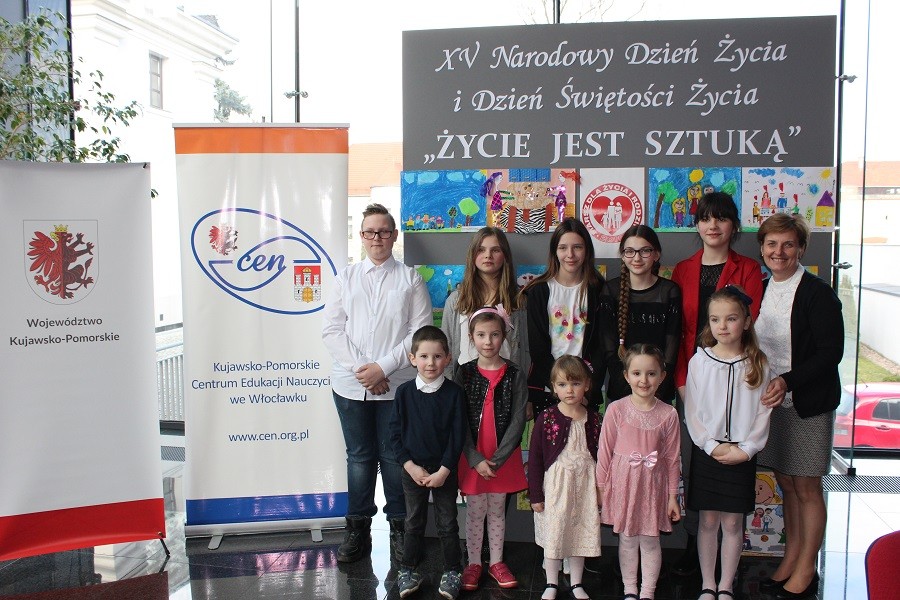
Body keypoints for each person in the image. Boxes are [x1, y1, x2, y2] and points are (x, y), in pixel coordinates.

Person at [322, 203, 433, 564]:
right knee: (359, 457)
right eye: (370, 231)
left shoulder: (410, 279)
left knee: (394, 457)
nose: (377, 238)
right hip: (349, 385)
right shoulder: (346, 278)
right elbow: (332, 330)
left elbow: (419, 333)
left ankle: (400, 530)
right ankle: (357, 530)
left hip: (396, 385)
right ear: (362, 235)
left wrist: (382, 369)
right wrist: (365, 371)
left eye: (384, 231)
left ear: (394, 235)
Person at [670, 191, 764, 575]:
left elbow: (751, 327)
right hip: (692, 377)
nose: (713, 225)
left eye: (721, 218)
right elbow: (679, 331)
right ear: (696, 225)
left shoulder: (749, 269)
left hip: (735, 380)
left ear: (733, 226)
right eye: (706, 218)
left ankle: (725, 563)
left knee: (729, 463)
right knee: (694, 463)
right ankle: (694, 546)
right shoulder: (683, 269)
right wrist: (681, 382)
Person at [755, 213, 843, 600]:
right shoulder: (760, 289)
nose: (779, 251)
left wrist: (787, 381)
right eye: (772, 244)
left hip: (808, 403)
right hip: (772, 404)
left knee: (807, 486)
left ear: (801, 249)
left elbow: (830, 353)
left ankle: (807, 568)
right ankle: (790, 558)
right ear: (762, 248)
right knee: (787, 483)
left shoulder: (818, 293)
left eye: (788, 244)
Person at [684, 286, 773, 600]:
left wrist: (747, 449)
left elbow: (763, 412)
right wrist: (710, 445)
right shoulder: (700, 362)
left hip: (741, 454)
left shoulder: (758, 363)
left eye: (731, 319)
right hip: (708, 452)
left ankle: (726, 585)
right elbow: (692, 410)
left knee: (734, 523)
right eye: (715, 319)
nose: (722, 326)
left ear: (746, 322)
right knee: (708, 520)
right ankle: (708, 583)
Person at [597, 344, 681, 600]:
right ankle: (630, 589)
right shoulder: (616, 409)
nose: (643, 380)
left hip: (653, 487)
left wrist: (672, 497)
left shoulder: (669, 414)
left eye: (651, 373)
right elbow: (604, 452)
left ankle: (647, 591)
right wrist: (600, 489)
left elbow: (672, 459)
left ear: (662, 376)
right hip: (623, 484)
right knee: (627, 539)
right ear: (626, 376)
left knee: (650, 540)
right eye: (636, 373)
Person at [453, 308, 528, 591]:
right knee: (475, 511)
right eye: (481, 335)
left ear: (503, 336)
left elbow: (518, 419)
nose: (488, 341)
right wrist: (475, 458)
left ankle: (496, 562)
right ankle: (474, 563)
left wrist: (496, 459)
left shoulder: (515, 373)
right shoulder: (464, 373)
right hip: (473, 456)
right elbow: (458, 419)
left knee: (497, 510)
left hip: (501, 458)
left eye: (495, 335)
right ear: (471, 337)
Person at [389, 326, 466, 600]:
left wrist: (444, 470)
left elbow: (457, 436)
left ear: (448, 358)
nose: (430, 363)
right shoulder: (404, 393)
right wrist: (410, 466)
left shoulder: (455, 394)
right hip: (413, 470)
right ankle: (407, 570)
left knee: (447, 522)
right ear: (413, 358)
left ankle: (453, 570)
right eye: (423, 356)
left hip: (444, 471)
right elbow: (394, 435)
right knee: (413, 521)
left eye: (437, 356)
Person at [521, 218, 616, 415]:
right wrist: (559, 387)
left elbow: (601, 346)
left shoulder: (599, 290)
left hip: (586, 391)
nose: (570, 254)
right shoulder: (539, 291)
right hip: (549, 389)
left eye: (577, 247)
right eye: (563, 248)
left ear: (587, 250)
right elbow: (538, 348)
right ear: (555, 251)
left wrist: (587, 388)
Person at [528, 355, 602, 600]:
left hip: (585, 486)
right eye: (562, 384)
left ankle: (576, 583)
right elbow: (536, 459)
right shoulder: (546, 418)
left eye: (575, 383)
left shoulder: (594, 419)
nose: (569, 390)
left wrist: (601, 490)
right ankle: (551, 582)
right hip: (556, 487)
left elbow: (603, 458)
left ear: (587, 385)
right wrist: (536, 495)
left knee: (579, 534)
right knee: (554, 533)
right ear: (553, 387)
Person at [606, 225, 682, 405]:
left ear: (656, 255)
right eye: (630, 251)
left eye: (645, 251)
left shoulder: (669, 291)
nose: (637, 258)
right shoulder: (610, 290)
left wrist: (656, 388)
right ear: (623, 255)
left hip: (659, 391)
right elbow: (608, 348)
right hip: (622, 393)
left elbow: (672, 347)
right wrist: (629, 390)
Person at [441, 227, 528, 380]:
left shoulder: (518, 301)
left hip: (506, 384)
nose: (488, 255)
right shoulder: (455, 301)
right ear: (472, 255)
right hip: (464, 384)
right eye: (481, 250)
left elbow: (526, 350)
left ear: (505, 256)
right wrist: (450, 387)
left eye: (495, 250)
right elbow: (445, 348)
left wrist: (520, 387)